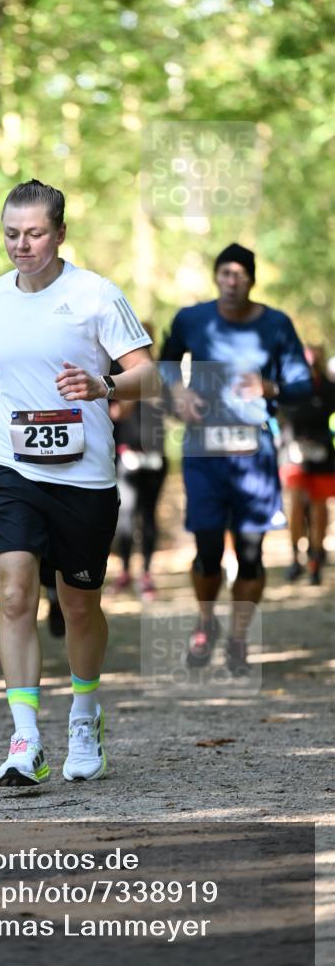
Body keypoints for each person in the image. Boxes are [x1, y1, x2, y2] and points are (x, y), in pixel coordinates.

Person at [0, 179, 158, 786]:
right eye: (12, 234)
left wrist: (103, 386)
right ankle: (25, 738)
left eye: (35, 233)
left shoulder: (95, 295)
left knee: (79, 604)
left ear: (60, 234)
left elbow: (149, 374)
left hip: (84, 476)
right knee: (15, 590)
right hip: (9, 466)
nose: (22, 245)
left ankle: (85, 717)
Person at [159, 243, 312, 677]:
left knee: (250, 554)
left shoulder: (277, 325)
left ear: (251, 279)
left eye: (240, 274)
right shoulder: (191, 319)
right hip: (204, 452)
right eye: (225, 273)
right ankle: (206, 621)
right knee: (207, 549)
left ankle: (240, 638)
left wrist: (272, 388)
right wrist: (178, 394)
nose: (232, 281)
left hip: (253, 453)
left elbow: (302, 384)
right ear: (216, 278)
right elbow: (163, 366)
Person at [108, 323, 167, 600]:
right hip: (126, 453)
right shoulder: (116, 371)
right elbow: (113, 413)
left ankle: (147, 573)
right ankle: (124, 571)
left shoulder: (161, 374)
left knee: (149, 515)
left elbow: (176, 409)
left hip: (156, 456)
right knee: (126, 515)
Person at [280, 345, 335, 585]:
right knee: (296, 504)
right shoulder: (289, 388)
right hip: (294, 454)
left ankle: (315, 556)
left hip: (323, 455)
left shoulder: (328, 389)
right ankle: (295, 556)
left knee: (319, 506)